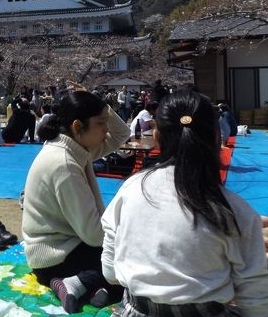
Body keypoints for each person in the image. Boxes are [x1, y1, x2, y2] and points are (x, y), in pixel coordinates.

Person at [101, 91, 268, 316]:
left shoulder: (130, 189)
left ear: (157, 137)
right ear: (217, 138)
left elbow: (110, 271)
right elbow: (256, 301)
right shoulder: (234, 210)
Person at [22, 89, 130, 313]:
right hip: (55, 259)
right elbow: (93, 234)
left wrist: (99, 104)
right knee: (131, 261)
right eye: (101, 123)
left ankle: (95, 290)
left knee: (126, 260)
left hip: (64, 250)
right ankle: (80, 283)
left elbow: (122, 134)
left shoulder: (76, 148)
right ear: (77, 126)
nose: (106, 129)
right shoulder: (65, 163)